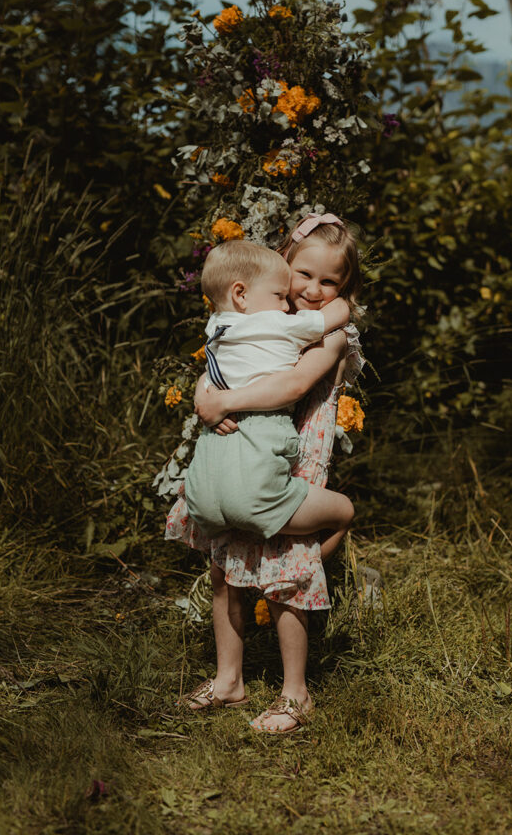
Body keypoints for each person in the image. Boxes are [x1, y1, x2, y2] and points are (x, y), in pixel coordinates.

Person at [163, 213, 364, 734]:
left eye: (330, 282)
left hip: (296, 456)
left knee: (286, 574)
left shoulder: (332, 335)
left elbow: (294, 386)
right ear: (283, 267)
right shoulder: (259, 317)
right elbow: (217, 364)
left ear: (344, 289)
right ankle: (229, 679)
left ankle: (296, 694)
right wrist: (208, 396)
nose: (314, 290)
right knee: (225, 569)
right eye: (304, 275)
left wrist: (222, 400)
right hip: (241, 457)